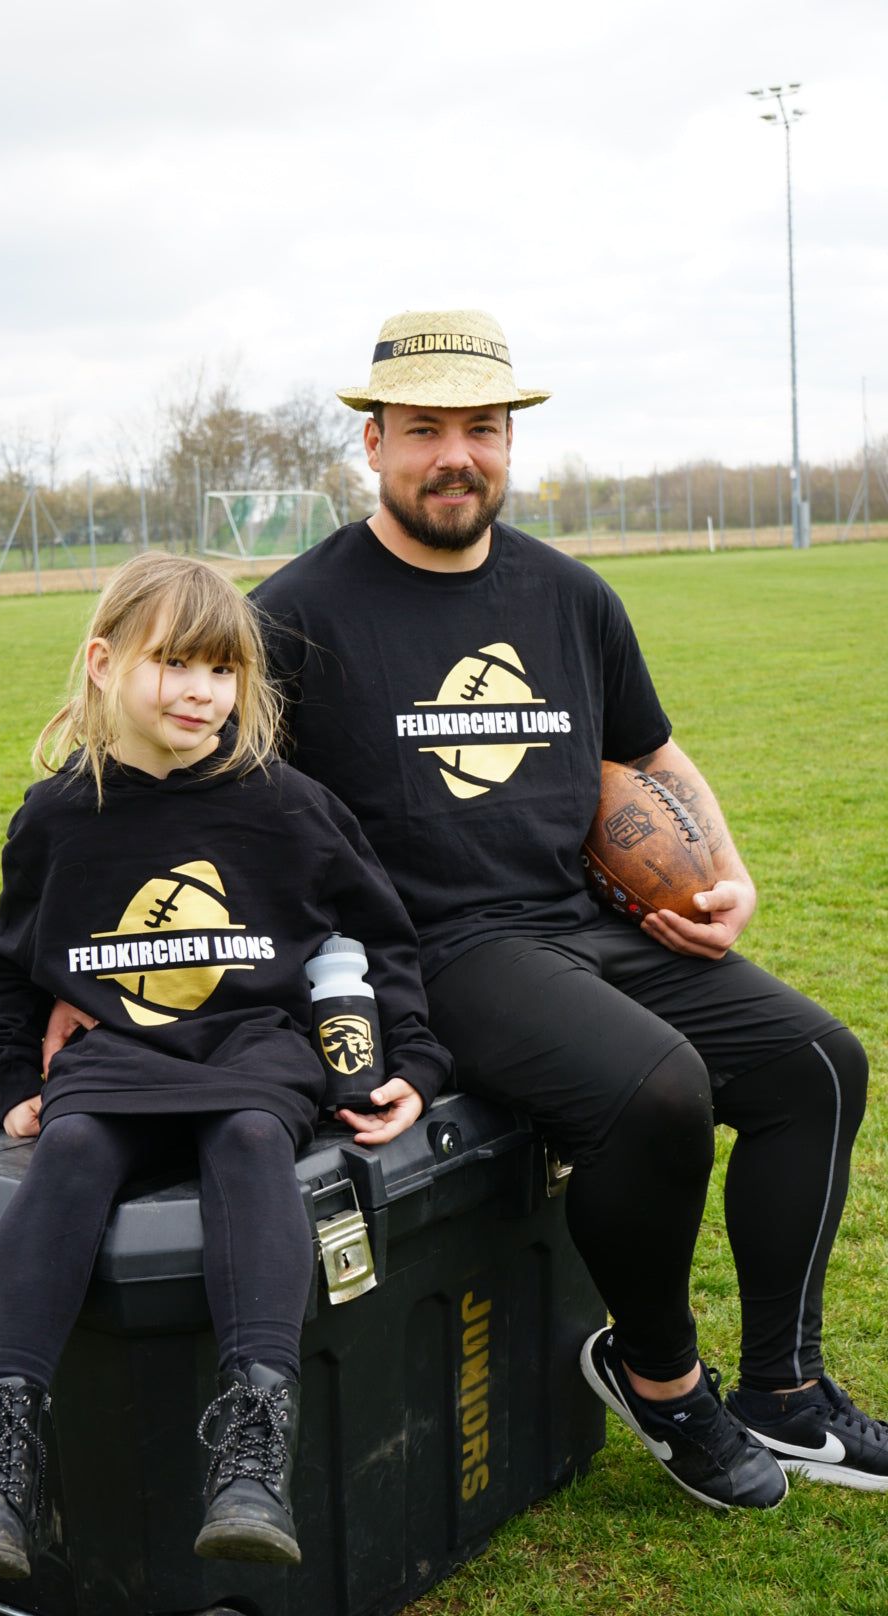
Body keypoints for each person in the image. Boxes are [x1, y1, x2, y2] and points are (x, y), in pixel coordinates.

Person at [244, 308, 884, 1511]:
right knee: (657, 1091)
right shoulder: (296, 614)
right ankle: (655, 1372)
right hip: (439, 947)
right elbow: (212, 810)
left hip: (582, 921)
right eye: (425, 430)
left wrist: (729, 875)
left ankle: (787, 1392)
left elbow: (656, 755)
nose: (457, 456)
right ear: (373, 444)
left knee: (820, 1063)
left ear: (509, 442)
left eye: (481, 429)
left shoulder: (570, 596)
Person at [0, 552, 451, 1581]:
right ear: (103, 661)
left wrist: (417, 1059)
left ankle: (253, 1451)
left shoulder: (289, 804)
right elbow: (8, 961)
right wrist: (13, 1080)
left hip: (257, 1047)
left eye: (224, 669)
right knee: (72, 1150)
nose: (203, 690)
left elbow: (384, 937)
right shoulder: (58, 815)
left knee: (251, 1137)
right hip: (115, 1053)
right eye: (176, 662)